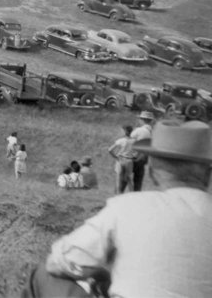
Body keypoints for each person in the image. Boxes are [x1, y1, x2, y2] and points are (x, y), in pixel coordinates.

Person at [27, 120, 212, 298]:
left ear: (152, 170)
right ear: (208, 172)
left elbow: (60, 261)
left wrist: (104, 273)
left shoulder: (127, 206)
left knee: (44, 274)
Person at [130, 111, 155, 192]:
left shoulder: (139, 130)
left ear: (142, 120)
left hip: (134, 157)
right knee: (138, 180)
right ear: (150, 121)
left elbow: (129, 140)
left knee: (125, 178)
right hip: (144, 158)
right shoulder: (153, 132)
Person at [107, 125, 135, 194]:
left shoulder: (121, 140)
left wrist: (116, 157)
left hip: (121, 159)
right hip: (129, 160)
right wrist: (134, 156)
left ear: (125, 132)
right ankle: (133, 195)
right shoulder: (134, 141)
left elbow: (110, 150)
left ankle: (118, 195)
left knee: (119, 179)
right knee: (129, 179)